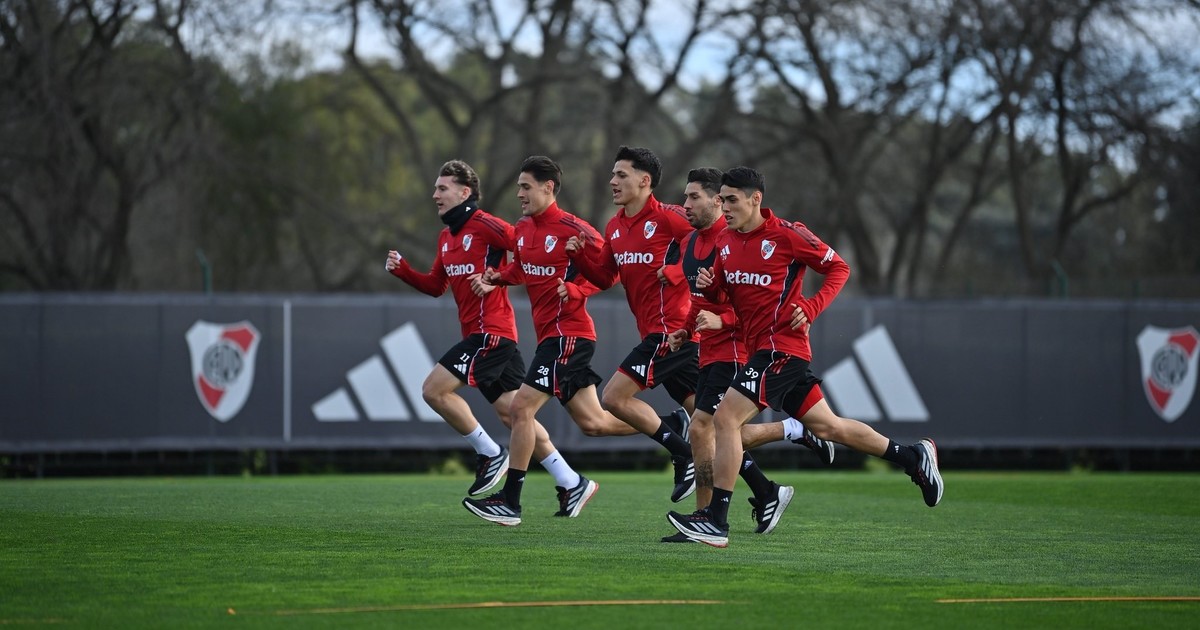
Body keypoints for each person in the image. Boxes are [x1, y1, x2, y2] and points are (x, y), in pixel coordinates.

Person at [667, 166, 943, 548]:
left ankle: (715, 520)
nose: (724, 207)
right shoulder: (726, 242)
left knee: (724, 419)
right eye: (722, 200)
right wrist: (709, 290)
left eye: (731, 200)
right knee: (829, 428)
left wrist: (812, 307)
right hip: (763, 350)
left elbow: (839, 268)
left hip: (781, 348)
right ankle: (913, 457)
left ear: (756, 199)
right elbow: (722, 296)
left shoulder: (787, 234)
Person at [386, 159, 587, 509]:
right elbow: (436, 286)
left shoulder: (486, 224)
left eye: (442, 188)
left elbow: (525, 247)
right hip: (487, 337)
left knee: (434, 390)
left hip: (491, 333)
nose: (435, 195)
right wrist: (403, 270)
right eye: (435, 188)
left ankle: (490, 453)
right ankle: (570, 481)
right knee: (515, 415)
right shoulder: (446, 238)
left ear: (465, 192)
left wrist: (499, 277)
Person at [461, 155, 643, 526]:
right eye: (519, 187)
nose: (519, 194)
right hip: (553, 337)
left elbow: (609, 274)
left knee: (520, 409)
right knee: (594, 423)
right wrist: (497, 277)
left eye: (525, 187)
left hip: (569, 335)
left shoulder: (575, 228)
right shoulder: (523, 228)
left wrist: (578, 290)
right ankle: (674, 425)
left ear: (548, 187)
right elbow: (522, 269)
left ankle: (510, 501)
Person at [660, 167, 835, 542]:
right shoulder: (695, 243)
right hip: (706, 351)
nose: (687, 204)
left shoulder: (745, 236)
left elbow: (749, 307)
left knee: (708, 427)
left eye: (695, 197)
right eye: (686, 196)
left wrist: (722, 320)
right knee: (714, 430)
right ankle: (763, 489)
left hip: (738, 351)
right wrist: (688, 329)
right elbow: (707, 298)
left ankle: (711, 518)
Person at [565, 146, 700, 503]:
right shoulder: (615, 226)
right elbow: (605, 277)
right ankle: (773, 475)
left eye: (621, 175)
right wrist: (580, 258)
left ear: (644, 181)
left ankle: (682, 453)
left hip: (671, 331)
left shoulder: (670, 217)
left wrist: (677, 271)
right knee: (714, 424)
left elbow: (709, 242)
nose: (612, 181)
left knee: (613, 397)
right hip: (663, 336)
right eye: (613, 174)